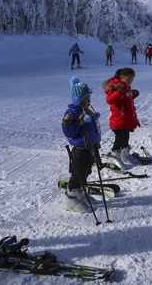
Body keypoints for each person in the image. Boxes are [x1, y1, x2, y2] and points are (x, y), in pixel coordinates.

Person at [61, 76, 102, 213]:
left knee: (85, 172)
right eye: (86, 100)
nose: (89, 102)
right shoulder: (73, 114)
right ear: (77, 100)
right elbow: (71, 133)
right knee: (78, 173)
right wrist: (66, 123)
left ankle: (81, 193)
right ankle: (71, 199)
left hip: (89, 147)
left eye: (89, 99)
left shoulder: (85, 112)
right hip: (80, 150)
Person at [103, 68, 140, 168]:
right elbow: (110, 100)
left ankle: (125, 155)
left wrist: (133, 94)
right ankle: (115, 155)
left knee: (126, 136)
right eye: (127, 80)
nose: (129, 82)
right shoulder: (115, 87)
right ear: (121, 77)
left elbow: (125, 98)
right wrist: (118, 92)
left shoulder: (125, 86)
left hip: (125, 118)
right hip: (118, 118)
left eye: (131, 81)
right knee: (119, 137)